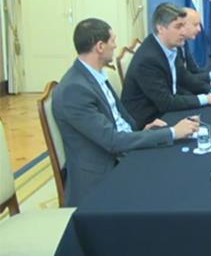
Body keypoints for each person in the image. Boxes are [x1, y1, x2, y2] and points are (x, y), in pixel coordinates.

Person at [53, 18, 199, 207]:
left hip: (122, 152)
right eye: (112, 41)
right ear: (100, 46)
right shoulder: (74, 90)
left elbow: (119, 121)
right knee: (174, 186)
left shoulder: (94, 75)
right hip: (103, 177)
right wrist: (172, 132)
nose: (115, 46)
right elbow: (112, 141)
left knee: (181, 165)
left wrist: (144, 131)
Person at [121, 3, 211, 129]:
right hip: (149, 121)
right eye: (178, 27)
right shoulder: (149, 59)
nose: (183, 32)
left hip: (166, 110)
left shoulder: (170, 47)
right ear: (160, 28)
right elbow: (166, 102)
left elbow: (185, 78)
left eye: (183, 25)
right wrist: (206, 99)